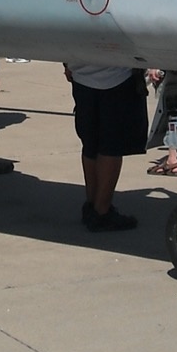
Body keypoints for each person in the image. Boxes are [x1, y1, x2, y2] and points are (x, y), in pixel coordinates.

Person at [65, 64, 147, 231]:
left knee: (90, 144)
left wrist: (67, 64)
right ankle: (101, 211)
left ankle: (92, 203)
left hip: (81, 73)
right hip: (116, 76)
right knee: (112, 146)